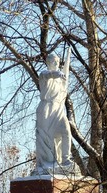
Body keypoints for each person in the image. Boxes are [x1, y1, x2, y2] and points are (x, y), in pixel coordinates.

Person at [32, 48, 78, 176]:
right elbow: (47, 75)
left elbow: (64, 75)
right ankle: (49, 161)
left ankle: (65, 159)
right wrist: (56, 74)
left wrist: (68, 57)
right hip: (46, 109)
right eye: (54, 61)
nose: (57, 63)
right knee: (48, 139)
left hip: (58, 109)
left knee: (66, 131)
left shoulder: (61, 79)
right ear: (48, 62)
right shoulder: (44, 75)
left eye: (58, 61)